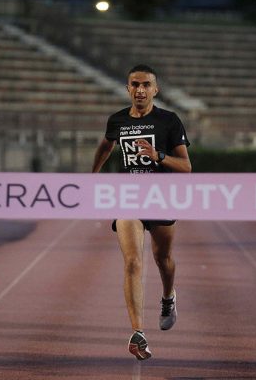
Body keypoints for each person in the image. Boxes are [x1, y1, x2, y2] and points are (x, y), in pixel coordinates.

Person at [91, 64, 191, 360]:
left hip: (161, 196)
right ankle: (138, 332)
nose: (140, 90)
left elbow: (186, 168)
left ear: (155, 89)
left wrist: (158, 155)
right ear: (128, 88)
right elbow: (105, 147)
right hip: (129, 197)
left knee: (163, 259)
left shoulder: (169, 121)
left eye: (146, 85)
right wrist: (91, 177)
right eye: (135, 84)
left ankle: (168, 297)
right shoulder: (118, 120)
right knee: (133, 261)